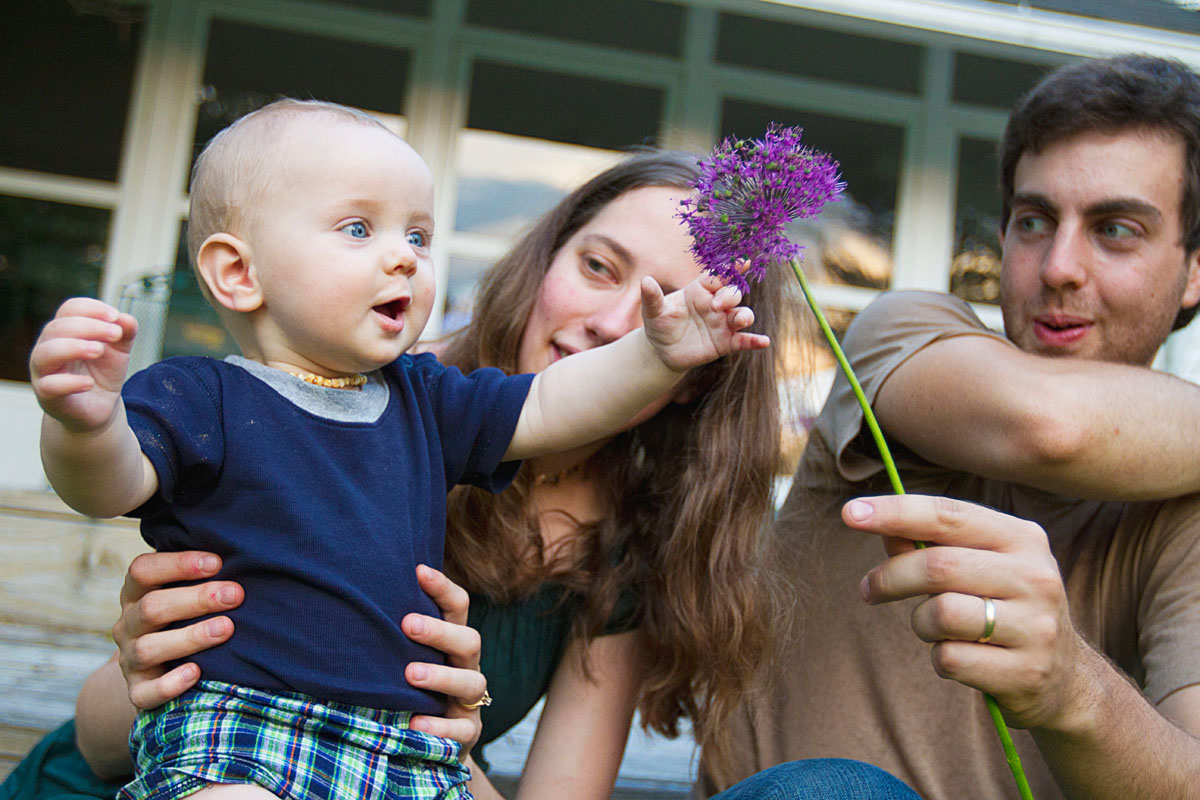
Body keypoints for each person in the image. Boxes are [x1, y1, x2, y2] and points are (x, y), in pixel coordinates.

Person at [27, 98, 771, 800]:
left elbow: (551, 403)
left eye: (418, 237)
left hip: (394, 757)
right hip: (219, 736)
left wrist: (656, 352)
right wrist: (84, 424)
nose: (405, 258)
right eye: (359, 229)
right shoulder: (207, 395)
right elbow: (110, 486)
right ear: (239, 273)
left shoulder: (428, 404)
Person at [699, 53, 1200, 800]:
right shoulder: (905, 334)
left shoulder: (1185, 511)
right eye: (1033, 221)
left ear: (1195, 271)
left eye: (1116, 229)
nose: (1058, 266)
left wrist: (1077, 694)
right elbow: (1051, 426)